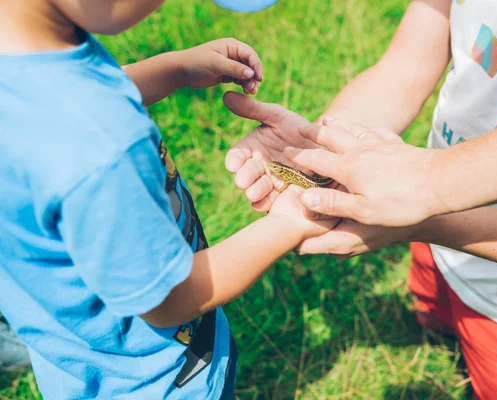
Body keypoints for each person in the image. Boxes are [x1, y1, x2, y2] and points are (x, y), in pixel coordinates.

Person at [224, 0, 497, 398]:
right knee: (433, 311)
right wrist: (327, 151)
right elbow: (404, 67)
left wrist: (427, 211)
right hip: (432, 237)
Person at [0, 0, 337, 398]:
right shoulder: (101, 151)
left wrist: (173, 69)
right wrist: (289, 222)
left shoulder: (32, 51)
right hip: (158, 381)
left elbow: (63, 99)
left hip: (77, 364)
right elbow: (169, 297)